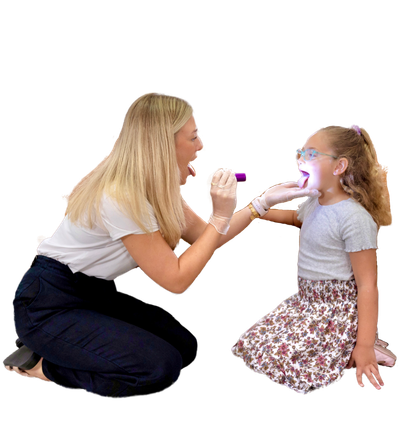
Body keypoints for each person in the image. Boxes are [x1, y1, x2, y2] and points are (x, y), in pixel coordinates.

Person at [2, 91, 317, 398]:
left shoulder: (153, 183)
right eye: (193, 137)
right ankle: (42, 365)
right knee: (157, 368)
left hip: (93, 292)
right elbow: (176, 280)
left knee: (183, 346)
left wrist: (260, 205)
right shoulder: (121, 197)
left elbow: (205, 237)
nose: (201, 145)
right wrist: (220, 215)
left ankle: (63, 345)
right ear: (164, 143)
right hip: (48, 302)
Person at [230, 123, 397, 395]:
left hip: (332, 311)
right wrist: (258, 210)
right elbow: (298, 218)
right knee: (253, 344)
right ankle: (347, 348)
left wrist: (364, 346)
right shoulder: (315, 200)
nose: (300, 160)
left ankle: (358, 347)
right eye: (301, 153)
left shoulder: (355, 218)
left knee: (283, 359)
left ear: (339, 166)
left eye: (311, 154)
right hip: (305, 301)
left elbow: (368, 285)